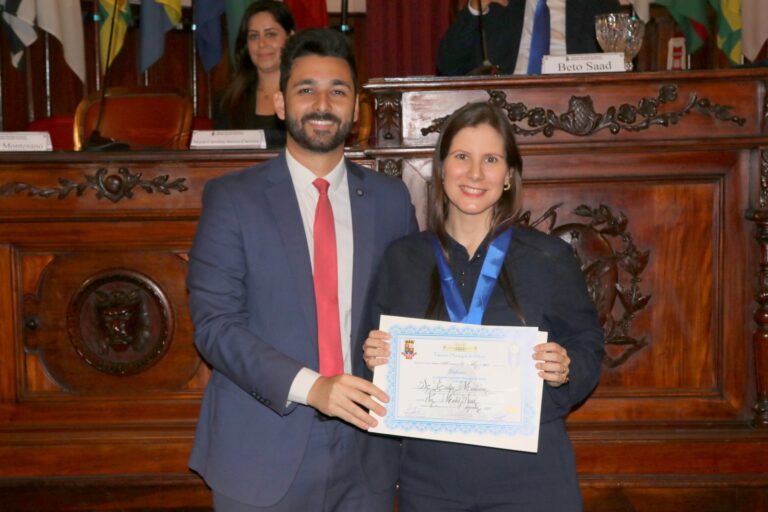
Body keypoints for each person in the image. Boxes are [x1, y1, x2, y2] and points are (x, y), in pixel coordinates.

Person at [188, 28, 418, 511]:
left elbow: (410, 313)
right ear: (279, 102)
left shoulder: (390, 200)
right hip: (260, 451)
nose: (322, 103)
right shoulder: (232, 199)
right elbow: (215, 327)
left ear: (356, 108)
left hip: (367, 453)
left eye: (338, 91)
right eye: (305, 89)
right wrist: (313, 388)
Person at [363, 101, 604, 511]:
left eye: (490, 159)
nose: (475, 174)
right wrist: (373, 357)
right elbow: (373, 365)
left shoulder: (548, 257)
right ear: (441, 170)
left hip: (531, 478)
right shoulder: (402, 260)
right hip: (431, 481)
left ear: (508, 175)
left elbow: (588, 345)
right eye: (462, 157)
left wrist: (567, 367)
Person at [437, 0, 621, 76]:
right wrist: (478, 7)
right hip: (506, 101)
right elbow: (448, 65)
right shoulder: (499, 4)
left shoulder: (595, 3)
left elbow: (618, 60)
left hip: (575, 98)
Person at [213, 0, 294, 147]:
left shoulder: (307, 96)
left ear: (290, 37)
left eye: (270, 34)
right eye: (254, 36)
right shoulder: (226, 101)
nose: (262, 44)